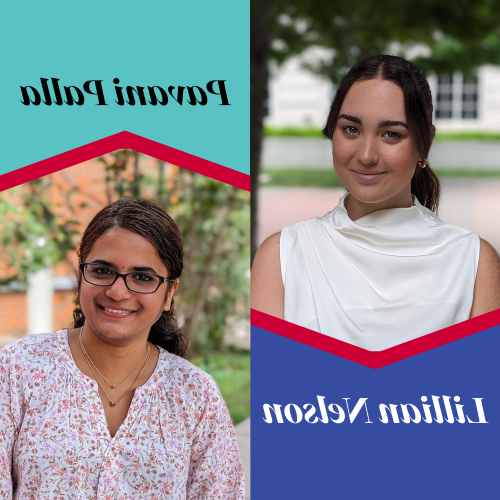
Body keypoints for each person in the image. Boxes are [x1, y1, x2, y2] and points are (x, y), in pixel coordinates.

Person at [0, 197, 244, 499]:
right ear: (81, 277)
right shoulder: (18, 368)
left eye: (142, 278)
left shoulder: (195, 396)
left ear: (169, 293)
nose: (117, 291)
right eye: (102, 271)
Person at [251, 55, 500, 351]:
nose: (367, 155)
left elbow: (479, 392)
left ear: (425, 143)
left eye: (391, 134)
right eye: (351, 129)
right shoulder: (282, 256)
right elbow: (276, 391)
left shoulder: (473, 262)